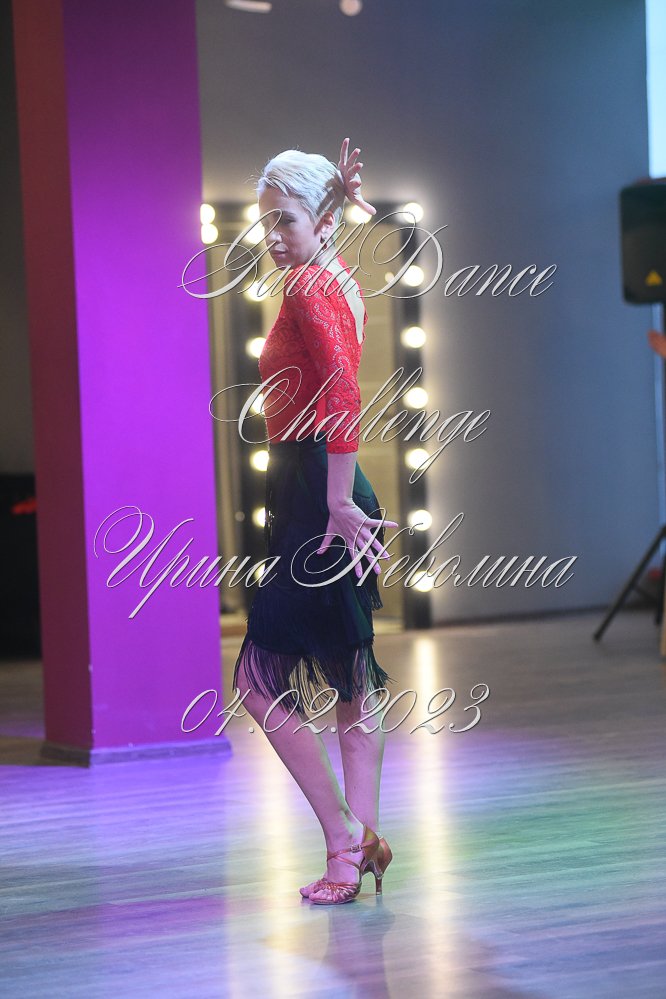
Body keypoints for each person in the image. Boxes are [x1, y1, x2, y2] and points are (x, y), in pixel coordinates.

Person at [232, 138, 398, 905]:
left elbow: (343, 394)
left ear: (324, 221)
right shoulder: (334, 276)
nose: (271, 236)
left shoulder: (307, 285)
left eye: (286, 220)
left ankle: (344, 839)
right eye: (265, 220)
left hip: (317, 494)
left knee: (258, 681)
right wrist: (340, 495)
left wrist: (333, 500)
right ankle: (355, 851)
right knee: (351, 682)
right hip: (323, 489)